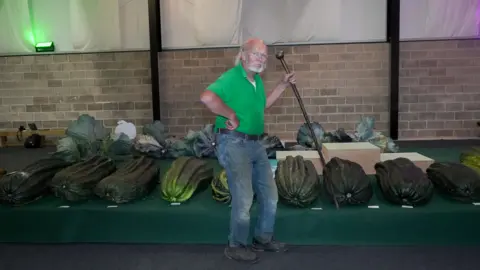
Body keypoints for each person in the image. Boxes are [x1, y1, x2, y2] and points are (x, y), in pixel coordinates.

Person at [200, 37, 296, 263]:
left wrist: (282, 85)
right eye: (256, 53)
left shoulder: (256, 81)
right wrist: (229, 114)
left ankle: (263, 238)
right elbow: (207, 97)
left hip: (255, 144)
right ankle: (236, 246)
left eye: (264, 55)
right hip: (234, 143)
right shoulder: (231, 78)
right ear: (243, 55)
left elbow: (262, 106)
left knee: (270, 194)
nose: (261, 59)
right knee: (244, 197)